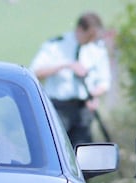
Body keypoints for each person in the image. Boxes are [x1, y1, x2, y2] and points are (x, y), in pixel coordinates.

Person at [29, 12, 111, 146]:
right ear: (79, 30)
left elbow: (104, 81)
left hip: (83, 108)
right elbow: (35, 72)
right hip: (59, 107)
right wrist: (65, 66)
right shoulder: (55, 45)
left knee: (83, 149)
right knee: (56, 146)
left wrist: (94, 95)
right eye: (90, 35)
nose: (92, 39)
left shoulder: (97, 50)